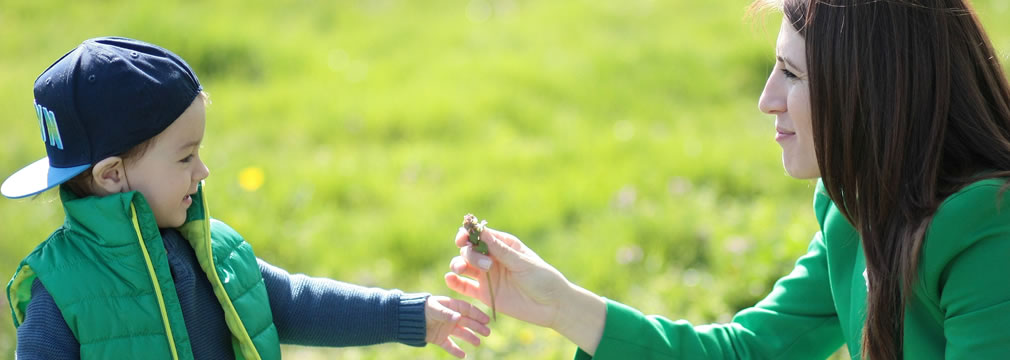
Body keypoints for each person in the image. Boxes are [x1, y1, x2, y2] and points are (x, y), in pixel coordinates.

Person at [445, 0, 1010, 358]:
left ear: (871, 93)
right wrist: (559, 304)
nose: (767, 99)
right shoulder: (852, 211)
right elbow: (751, 351)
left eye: (790, 73)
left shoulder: (988, 231)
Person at [2, 37, 490, 360]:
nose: (204, 171)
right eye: (185, 157)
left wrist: (407, 314)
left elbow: (296, 302)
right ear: (112, 176)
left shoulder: (212, 250)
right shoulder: (60, 291)